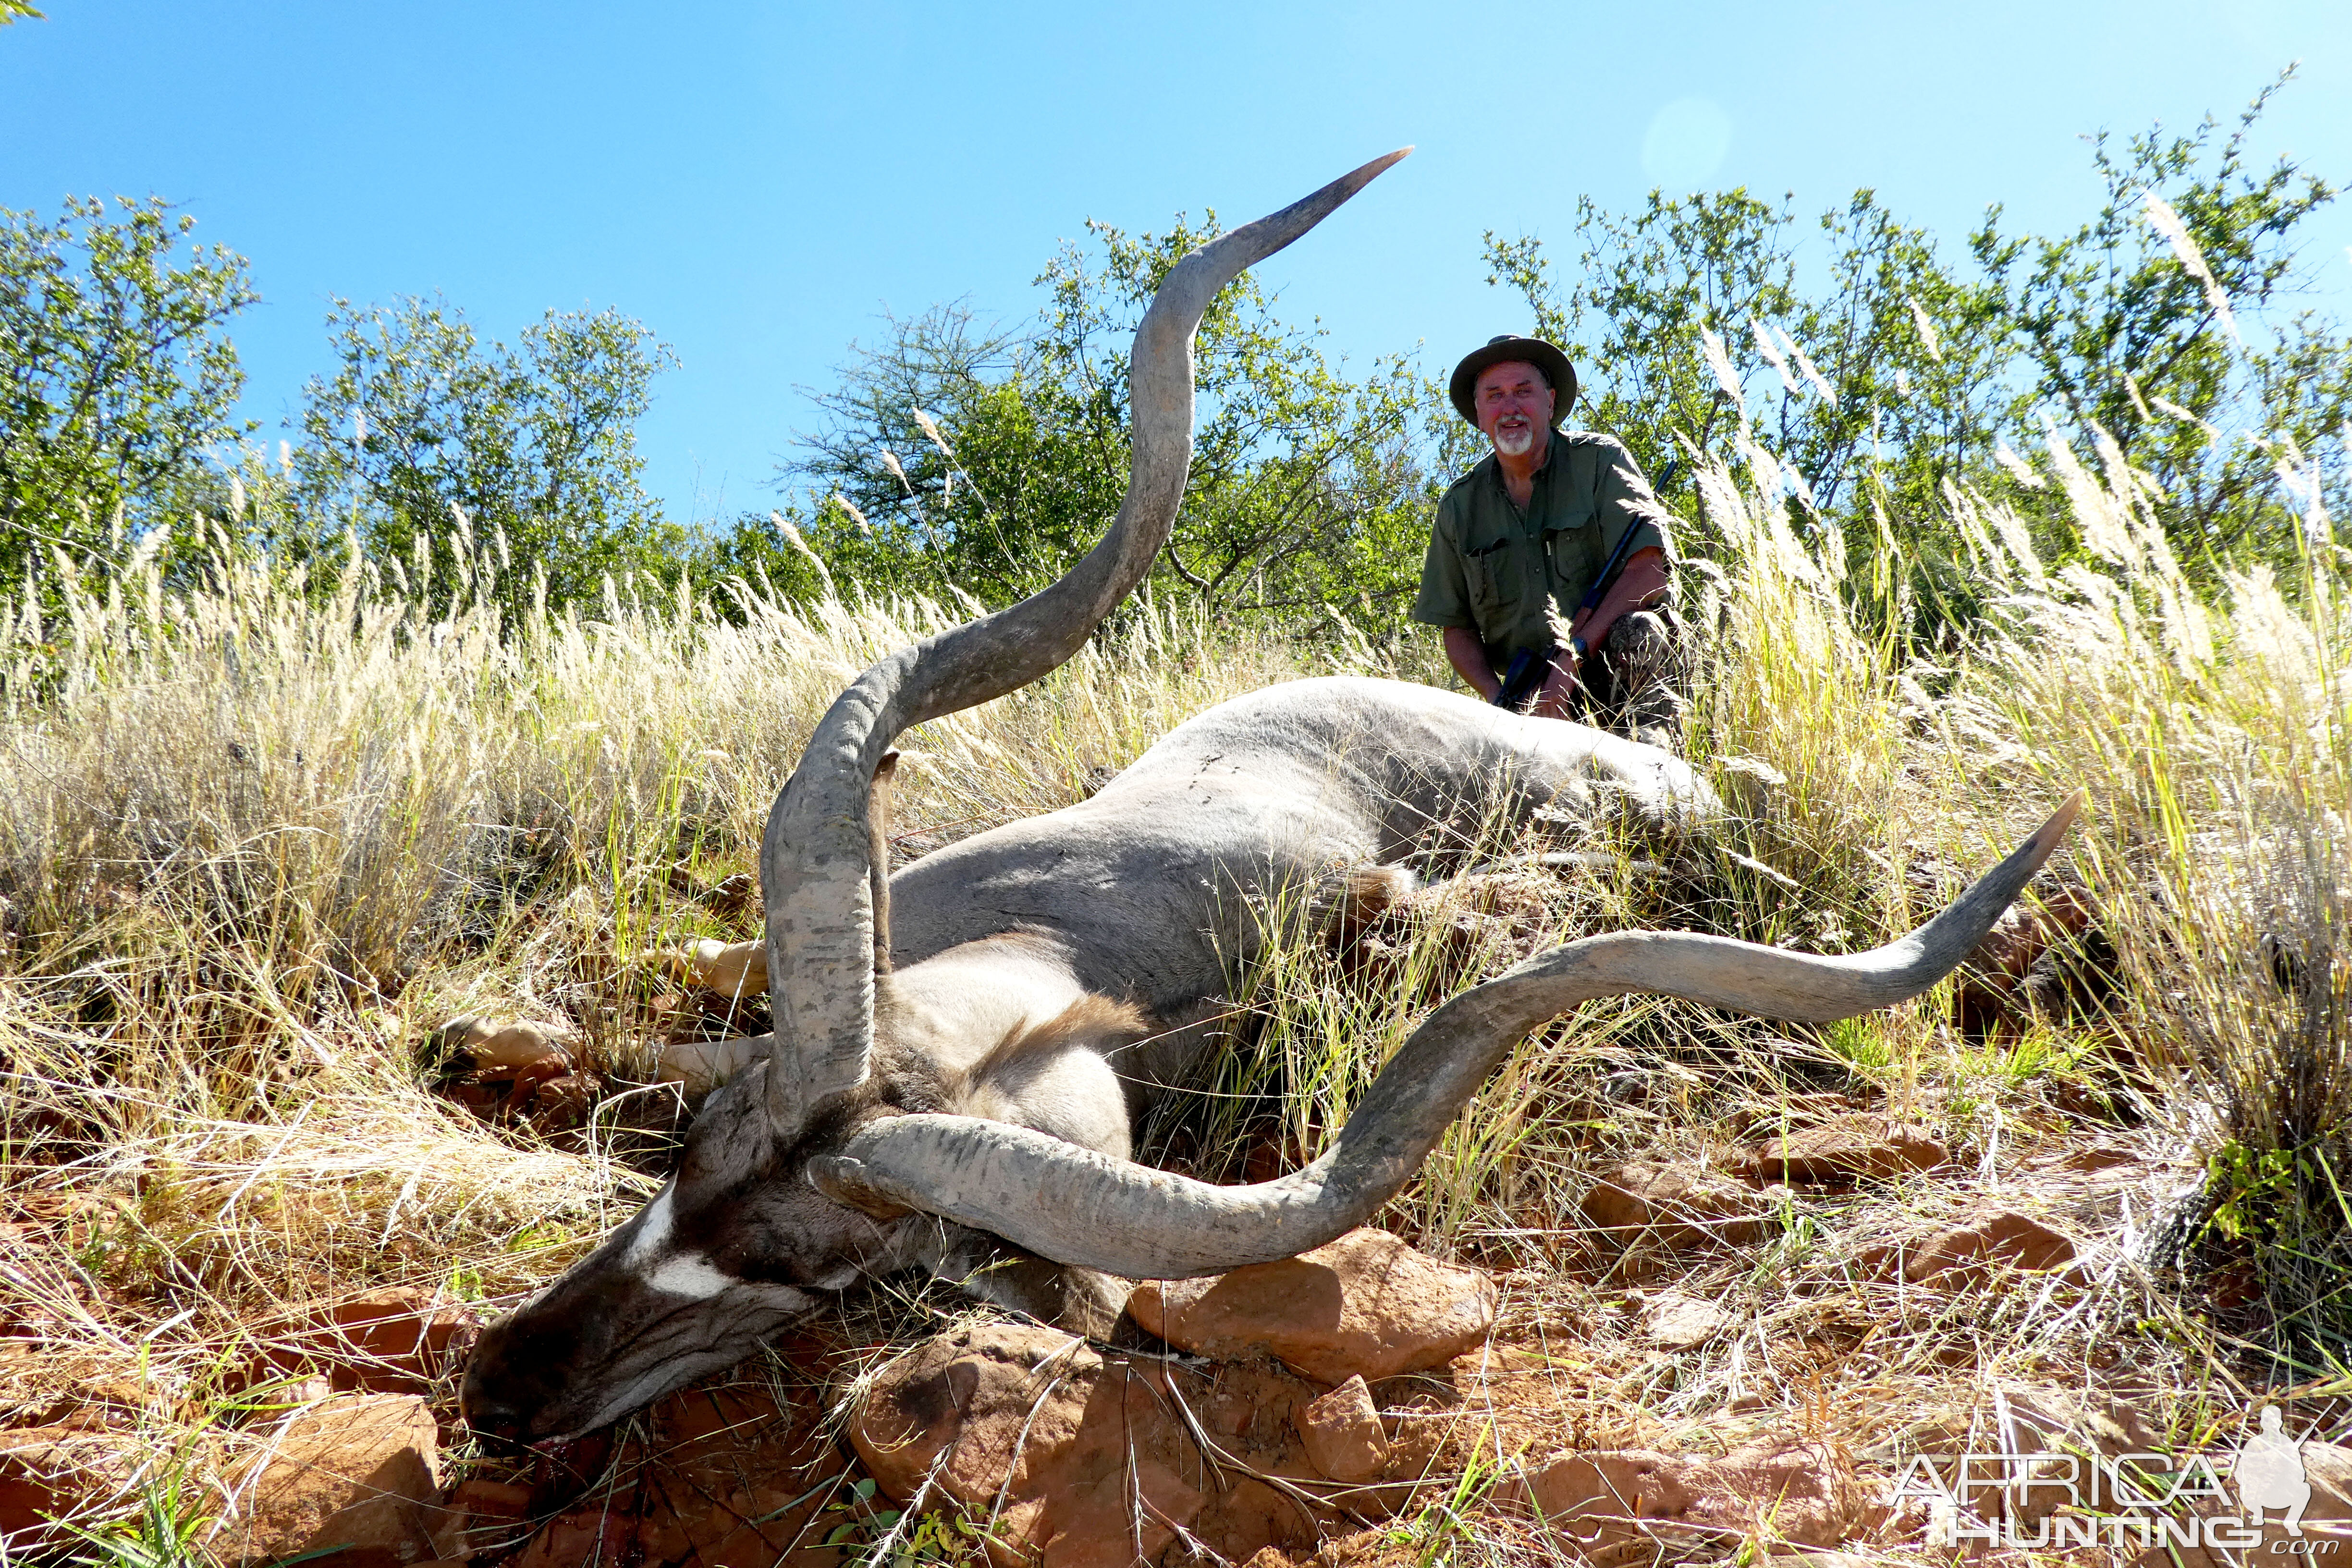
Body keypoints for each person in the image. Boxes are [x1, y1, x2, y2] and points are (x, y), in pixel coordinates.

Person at [1412, 335, 1688, 747]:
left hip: (1615, 664)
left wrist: (1569, 665)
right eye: (1495, 396)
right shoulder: (1459, 506)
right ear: (1480, 413)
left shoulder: (1600, 460)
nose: (1510, 408)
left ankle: (1660, 782)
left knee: (1641, 630)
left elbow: (1648, 574)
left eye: (1524, 392)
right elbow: (1457, 628)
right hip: (1530, 697)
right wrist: (1499, 703)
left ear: (1550, 401)